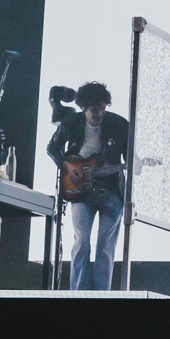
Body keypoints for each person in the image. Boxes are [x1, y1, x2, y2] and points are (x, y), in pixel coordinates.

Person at [47, 80, 129, 290]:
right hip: (80, 191)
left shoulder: (120, 125)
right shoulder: (72, 122)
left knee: (105, 248)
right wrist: (67, 166)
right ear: (83, 107)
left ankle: (101, 296)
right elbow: (52, 148)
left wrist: (136, 164)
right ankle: (77, 295)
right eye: (94, 109)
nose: (99, 114)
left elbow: (130, 158)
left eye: (102, 108)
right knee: (82, 242)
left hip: (111, 191)